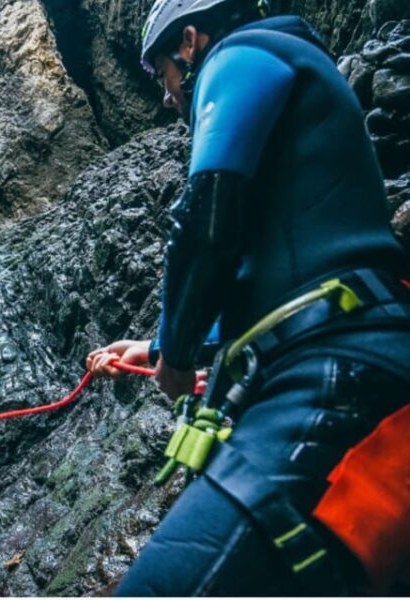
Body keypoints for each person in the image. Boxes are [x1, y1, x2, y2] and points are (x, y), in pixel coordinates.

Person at [87, 0, 410, 594]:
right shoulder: (293, 75)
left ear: (189, 42)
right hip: (348, 355)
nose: (166, 97)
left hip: (335, 368)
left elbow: (207, 216)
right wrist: (156, 344)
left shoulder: (241, 54)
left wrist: (176, 357)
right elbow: (276, 265)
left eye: (162, 74)